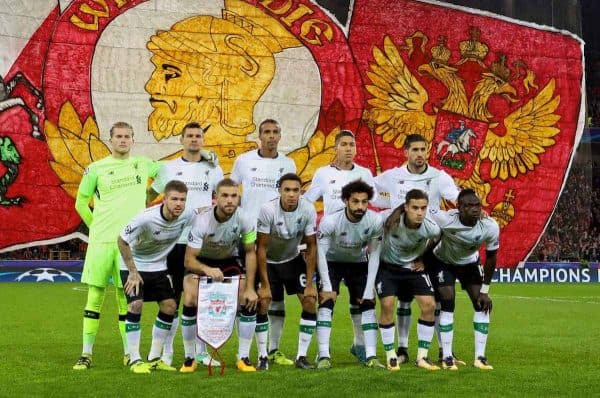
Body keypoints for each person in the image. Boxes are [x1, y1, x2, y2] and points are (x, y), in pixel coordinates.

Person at [73, 122, 160, 370]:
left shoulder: (143, 164)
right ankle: (86, 354)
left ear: (133, 139)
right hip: (101, 242)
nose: (123, 140)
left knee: (126, 297)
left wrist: (149, 196)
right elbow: (80, 203)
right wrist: (96, 226)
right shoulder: (96, 169)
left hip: (131, 244)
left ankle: (128, 353)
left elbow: (168, 171)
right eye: (118, 136)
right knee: (95, 296)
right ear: (110, 140)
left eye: (127, 136)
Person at [374, 133, 460, 364]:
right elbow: (371, 191)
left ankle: (444, 351)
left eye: (423, 149)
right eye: (415, 150)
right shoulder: (392, 176)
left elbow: (456, 197)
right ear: (406, 152)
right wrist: (389, 208)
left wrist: (472, 206)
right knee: (400, 301)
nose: (420, 154)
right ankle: (401, 349)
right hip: (396, 247)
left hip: (424, 250)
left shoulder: (439, 177)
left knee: (436, 301)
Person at [147, 121, 223, 367]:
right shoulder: (168, 168)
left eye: (198, 136)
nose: (193, 139)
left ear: (203, 140)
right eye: (189, 135)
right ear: (181, 140)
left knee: (199, 300)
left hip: (202, 243)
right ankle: (167, 352)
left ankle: (198, 352)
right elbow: (150, 195)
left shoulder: (213, 168)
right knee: (172, 300)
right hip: (173, 243)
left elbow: (221, 200)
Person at [304, 129, 378, 363]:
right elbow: (307, 202)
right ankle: (323, 353)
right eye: (344, 144)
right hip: (331, 251)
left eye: (352, 145)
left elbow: (374, 202)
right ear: (336, 148)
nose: (348, 148)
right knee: (327, 299)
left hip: (357, 254)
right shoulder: (323, 173)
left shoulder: (365, 173)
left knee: (362, 301)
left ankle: (360, 346)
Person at [231, 118, 296, 365]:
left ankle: (270, 351)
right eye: (266, 132)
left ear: (280, 136)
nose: (271, 136)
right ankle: (244, 351)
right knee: (248, 294)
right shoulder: (244, 161)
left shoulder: (288, 163)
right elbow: (233, 191)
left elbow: (289, 196)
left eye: (275, 132)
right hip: (247, 236)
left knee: (271, 297)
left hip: (275, 239)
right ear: (259, 135)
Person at [180, 178, 259, 372]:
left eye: (234, 196)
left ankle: (243, 356)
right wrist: (206, 270)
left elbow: (250, 252)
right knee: (190, 298)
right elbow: (189, 260)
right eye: (225, 196)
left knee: (247, 298)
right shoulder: (202, 220)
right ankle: (190, 357)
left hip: (228, 261)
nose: (230, 200)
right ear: (215, 198)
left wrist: (250, 287)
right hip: (202, 262)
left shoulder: (245, 218)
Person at [117, 180, 191, 373]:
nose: (178, 204)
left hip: (158, 266)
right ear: (164, 199)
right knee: (135, 305)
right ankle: (134, 359)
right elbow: (122, 240)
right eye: (174, 199)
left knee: (170, 306)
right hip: (133, 264)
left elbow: (206, 214)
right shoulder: (145, 218)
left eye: (182, 200)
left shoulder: (187, 215)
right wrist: (133, 272)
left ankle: (155, 358)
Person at [425, 189, 499, 370]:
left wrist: (485, 290)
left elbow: (491, 257)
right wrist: (421, 259)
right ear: (459, 207)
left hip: (469, 264)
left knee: (482, 304)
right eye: (469, 206)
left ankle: (480, 358)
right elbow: (424, 217)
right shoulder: (446, 219)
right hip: (443, 262)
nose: (474, 209)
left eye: (477, 205)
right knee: (447, 302)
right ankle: (447, 357)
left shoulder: (490, 226)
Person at [315, 180, 383, 369]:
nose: (360, 206)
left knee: (367, 304)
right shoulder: (330, 221)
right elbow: (320, 253)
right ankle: (323, 356)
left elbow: (375, 255)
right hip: (332, 262)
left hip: (358, 263)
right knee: (326, 302)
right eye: (355, 201)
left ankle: (369, 355)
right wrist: (327, 286)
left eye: (364, 202)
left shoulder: (375, 221)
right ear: (346, 201)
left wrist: (369, 290)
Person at [371, 189, 441, 371]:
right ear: (406, 207)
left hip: (412, 269)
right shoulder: (388, 219)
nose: (419, 212)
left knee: (429, 306)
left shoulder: (430, 226)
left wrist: (424, 259)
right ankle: (391, 356)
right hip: (388, 268)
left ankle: (422, 357)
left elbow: (437, 237)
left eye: (423, 208)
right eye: (415, 208)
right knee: (387, 305)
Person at [256, 173, 318, 370]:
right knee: (264, 301)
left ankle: (301, 356)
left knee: (309, 301)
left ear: (301, 191)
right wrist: (265, 285)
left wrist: (309, 284)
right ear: (279, 191)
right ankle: (263, 355)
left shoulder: (308, 209)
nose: (291, 194)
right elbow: (261, 248)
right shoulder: (268, 210)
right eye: (287, 190)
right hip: (268, 262)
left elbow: (311, 247)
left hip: (292, 260)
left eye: (296, 190)